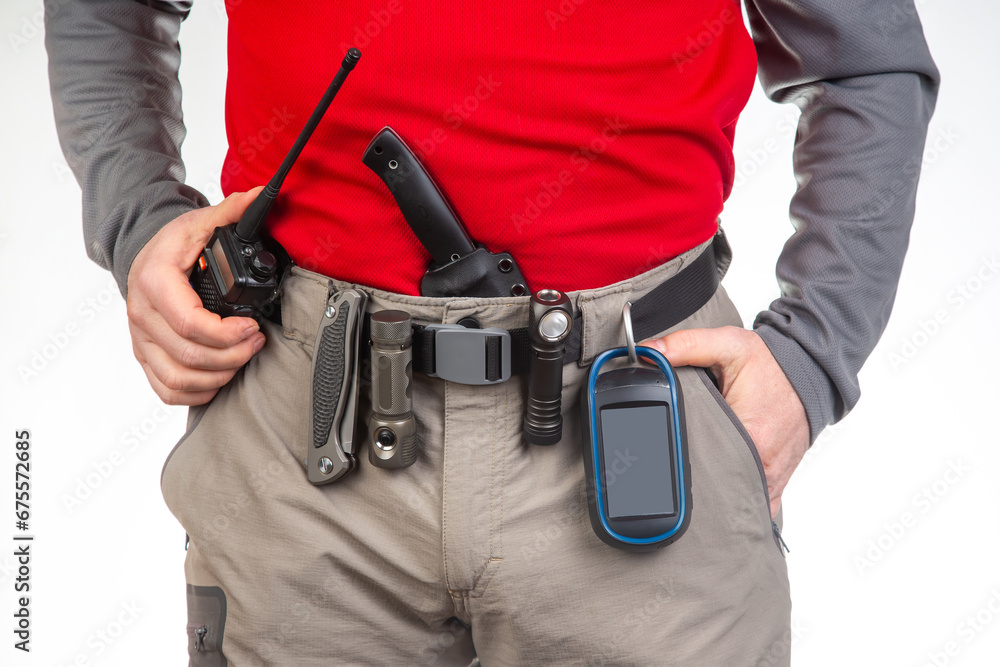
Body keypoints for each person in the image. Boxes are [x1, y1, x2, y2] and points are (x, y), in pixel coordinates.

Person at [46, 0, 938, 664]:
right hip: (302, 429)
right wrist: (140, 222)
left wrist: (811, 356)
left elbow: (867, 64)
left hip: (640, 413)